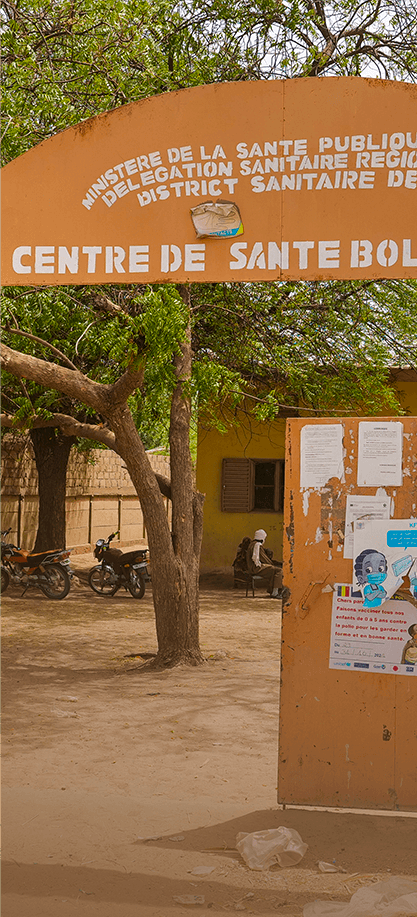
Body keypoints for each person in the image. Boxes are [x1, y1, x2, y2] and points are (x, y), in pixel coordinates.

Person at [246, 529, 288, 600]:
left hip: (252, 567)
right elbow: (264, 559)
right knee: (279, 571)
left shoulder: (252, 544)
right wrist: (272, 564)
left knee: (273, 571)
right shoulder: (258, 545)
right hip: (256, 568)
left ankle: (272, 591)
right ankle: (275, 593)